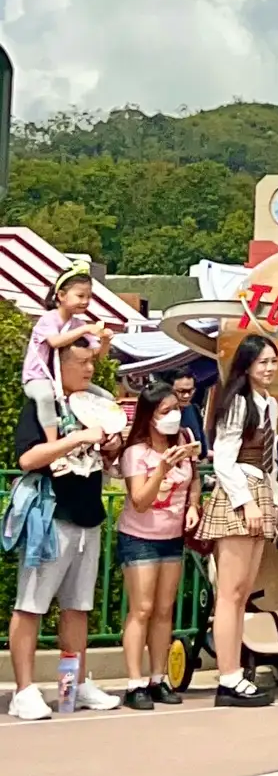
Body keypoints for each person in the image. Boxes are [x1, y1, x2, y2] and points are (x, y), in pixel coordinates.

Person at [8, 336, 124, 720]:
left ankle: (71, 686)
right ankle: (24, 689)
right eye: (80, 362)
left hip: (87, 515)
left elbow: (105, 449)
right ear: (59, 366)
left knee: (78, 607)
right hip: (50, 515)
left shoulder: (93, 403)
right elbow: (27, 458)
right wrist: (74, 438)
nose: (89, 369)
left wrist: (108, 444)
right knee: (31, 605)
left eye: (91, 361)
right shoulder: (42, 405)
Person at [195, 334, 278, 708]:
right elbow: (224, 460)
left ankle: (234, 674)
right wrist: (246, 502)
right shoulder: (238, 404)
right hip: (239, 492)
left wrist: (274, 502)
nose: (269, 369)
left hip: (261, 490)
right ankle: (228, 675)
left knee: (243, 593)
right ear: (246, 365)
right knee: (229, 593)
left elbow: (272, 461)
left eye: (273, 362)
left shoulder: (270, 404)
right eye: (263, 362)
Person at [117, 378, 202, 708]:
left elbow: (193, 479)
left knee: (165, 609)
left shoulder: (183, 441)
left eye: (176, 409)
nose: (174, 417)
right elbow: (139, 500)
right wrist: (161, 468)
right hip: (140, 537)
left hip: (172, 537)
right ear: (150, 416)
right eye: (166, 411)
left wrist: (193, 505)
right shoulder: (136, 453)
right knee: (142, 608)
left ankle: (158, 677)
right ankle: (135, 681)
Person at [21, 262, 108, 414]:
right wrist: (86, 329)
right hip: (39, 377)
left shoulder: (78, 324)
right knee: (46, 397)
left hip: (67, 379)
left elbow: (97, 354)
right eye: (80, 296)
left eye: (89, 297)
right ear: (61, 295)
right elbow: (55, 342)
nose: (85, 301)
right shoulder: (49, 319)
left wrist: (106, 340)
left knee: (106, 398)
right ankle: (53, 437)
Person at [169, 368, 208, 456]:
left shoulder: (194, 410)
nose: (186, 395)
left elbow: (202, 450)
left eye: (190, 391)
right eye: (181, 391)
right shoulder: (161, 415)